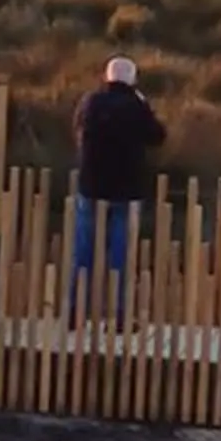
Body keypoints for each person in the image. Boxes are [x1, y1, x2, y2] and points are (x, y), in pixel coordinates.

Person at [71, 55, 165, 306]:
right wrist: (145, 106)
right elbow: (157, 137)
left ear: (106, 77)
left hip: (91, 185)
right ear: (133, 80)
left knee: (83, 251)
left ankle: (76, 309)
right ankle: (119, 313)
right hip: (126, 190)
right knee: (121, 256)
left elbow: (77, 128)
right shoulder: (136, 107)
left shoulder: (90, 101)